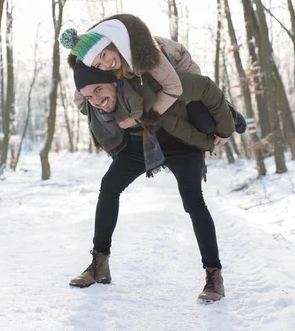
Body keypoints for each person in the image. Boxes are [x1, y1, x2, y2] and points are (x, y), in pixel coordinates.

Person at [68, 60, 234, 302]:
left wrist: (225, 129)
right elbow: (85, 92)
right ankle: (99, 265)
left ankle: (214, 276)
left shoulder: (152, 82)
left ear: (115, 81)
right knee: (109, 188)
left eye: (99, 90)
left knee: (193, 202)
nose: (95, 100)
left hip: (181, 142)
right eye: (88, 96)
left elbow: (206, 87)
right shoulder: (96, 104)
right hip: (141, 143)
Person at [60, 13, 246, 137]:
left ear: (112, 44)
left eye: (104, 56)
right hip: (152, 79)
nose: (106, 64)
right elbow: (82, 94)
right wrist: (92, 107)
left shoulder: (147, 54)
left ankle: (228, 109)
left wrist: (148, 117)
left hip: (177, 68)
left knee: (206, 125)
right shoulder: (102, 65)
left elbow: (174, 87)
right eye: (98, 65)